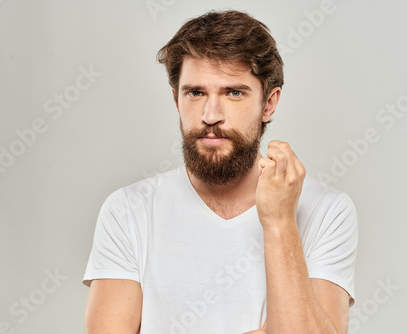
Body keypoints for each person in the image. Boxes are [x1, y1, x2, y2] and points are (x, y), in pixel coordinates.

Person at [83, 9, 358, 334]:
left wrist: (280, 221)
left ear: (268, 104)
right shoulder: (128, 211)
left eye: (234, 92)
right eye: (196, 93)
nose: (211, 115)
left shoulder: (327, 211)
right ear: (176, 100)